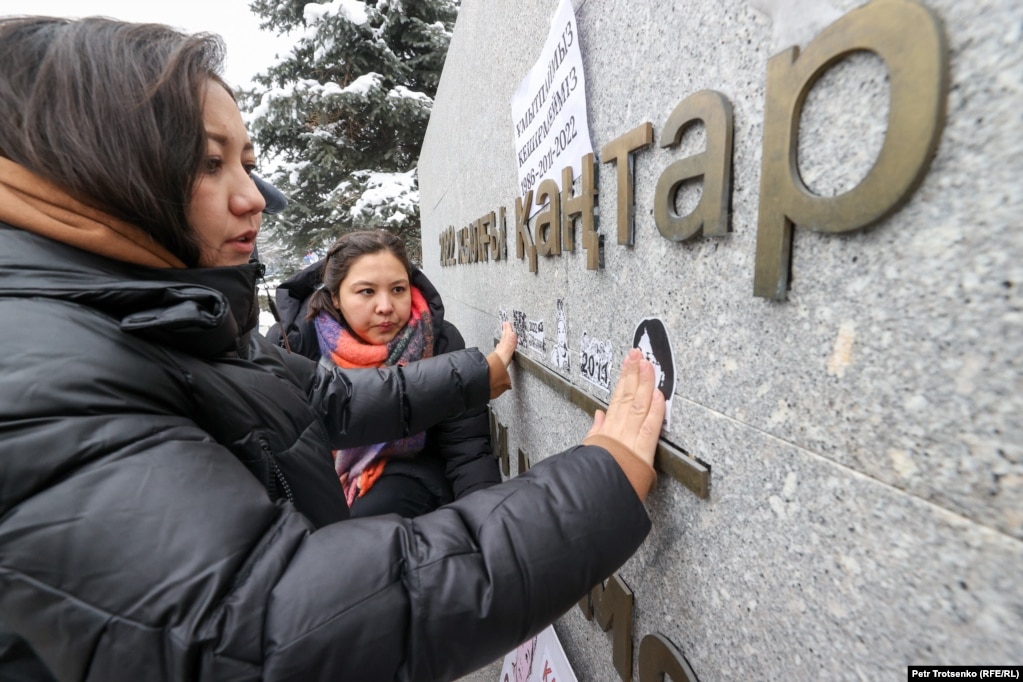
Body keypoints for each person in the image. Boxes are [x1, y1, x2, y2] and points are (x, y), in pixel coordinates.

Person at [0, 15, 664, 682]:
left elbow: (329, 401)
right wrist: (592, 489)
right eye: (209, 162)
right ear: (93, 160)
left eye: (248, 164)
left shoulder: (165, 316)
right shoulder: (37, 366)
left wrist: (476, 373)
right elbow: (264, 628)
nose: (253, 198)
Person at [270, 229, 502, 518]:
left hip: (413, 491)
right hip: (314, 489)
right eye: (367, 291)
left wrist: (489, 526)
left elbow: (467, 449)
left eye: (398, 289)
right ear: (336, 297)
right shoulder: (295, 343)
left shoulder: (437, 341)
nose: (386, 307)